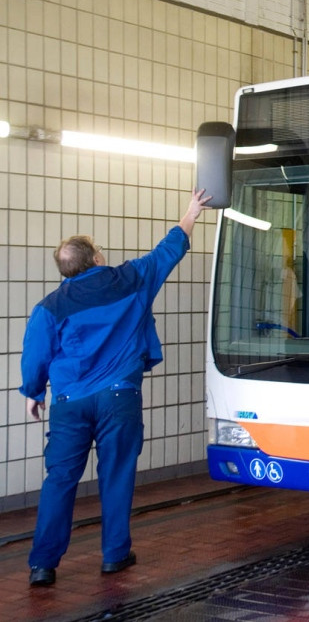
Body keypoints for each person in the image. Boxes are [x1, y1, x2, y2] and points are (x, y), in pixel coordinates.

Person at [19, 188, 211, 587]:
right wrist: (191, 211)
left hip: (70, 403)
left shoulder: (49, 307)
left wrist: (33, 393)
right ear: (97, 259)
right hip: (120, 397)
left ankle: (43, 565)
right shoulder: (131, 279)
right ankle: (114, 555)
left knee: (60, 480)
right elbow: (168, 251)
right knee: (116, 475)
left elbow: (36, 355)